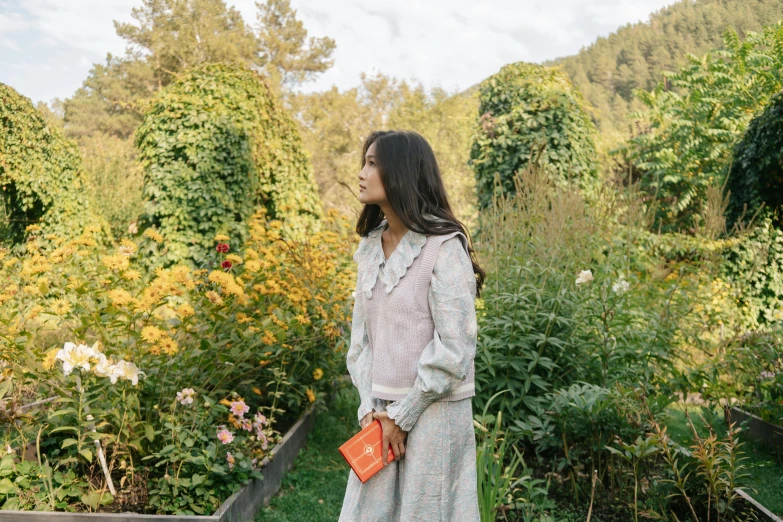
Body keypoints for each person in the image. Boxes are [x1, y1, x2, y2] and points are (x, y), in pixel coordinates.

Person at [338, 130, 485, 522]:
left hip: (433, 415)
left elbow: (456, 348)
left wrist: (402, 416)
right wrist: (370, 409)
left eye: (372, 163)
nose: (361, 172)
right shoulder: (370, 247)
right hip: (380, 416)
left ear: (400, 173)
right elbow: (361, 342)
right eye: (364, 162)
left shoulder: (443, 247)